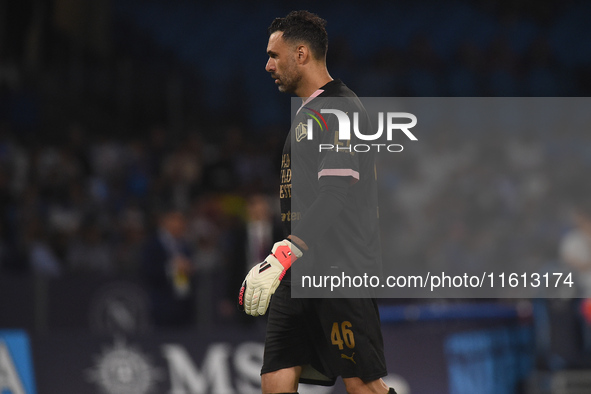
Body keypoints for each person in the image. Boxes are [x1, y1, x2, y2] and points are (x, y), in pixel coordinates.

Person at [238, 11, 396, 394]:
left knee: (363, 387)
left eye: (275, 55)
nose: (267, 65)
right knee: (275, 380)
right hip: (300, 273)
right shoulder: (311, 111)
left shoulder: (339, 109)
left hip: (340, 268)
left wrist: (282, 254)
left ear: (302, 53)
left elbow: (334, 194)